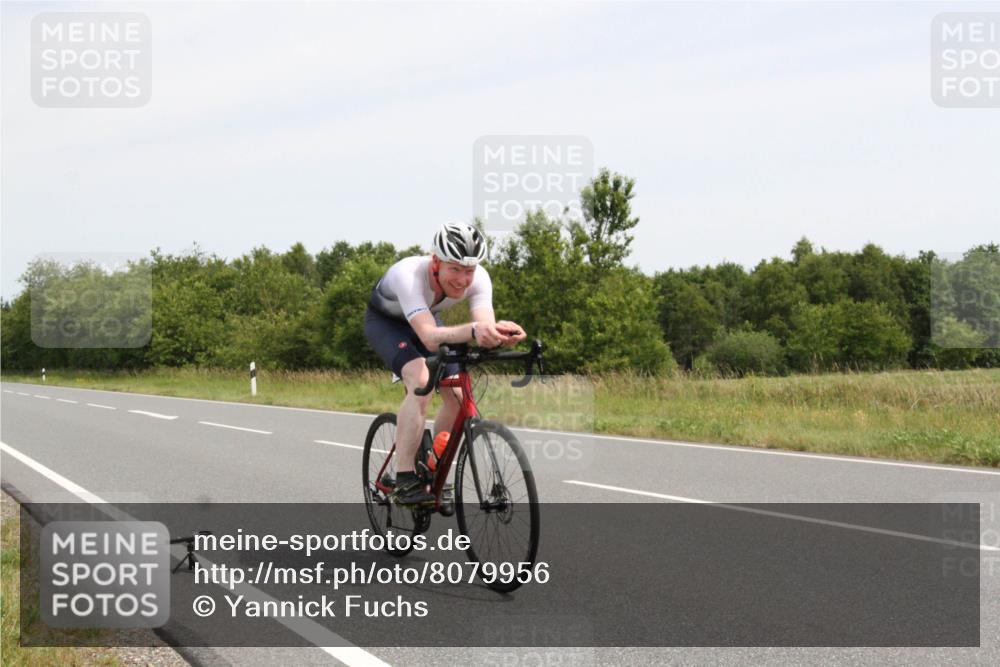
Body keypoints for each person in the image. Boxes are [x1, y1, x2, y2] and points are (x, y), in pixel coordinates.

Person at [364, 223, 526, 504]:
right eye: (455, 269)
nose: (463, 280)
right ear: (435, 261)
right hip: (389, 324)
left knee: (458, 396)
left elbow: (482, 326)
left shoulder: (479, 278)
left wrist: (499, 334)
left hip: (426, 318)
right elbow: (428, 338)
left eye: (469, 271)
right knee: (420, 380)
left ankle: (433, 465)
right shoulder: (409, 275)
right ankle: (404, 477)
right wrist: (475, 331)